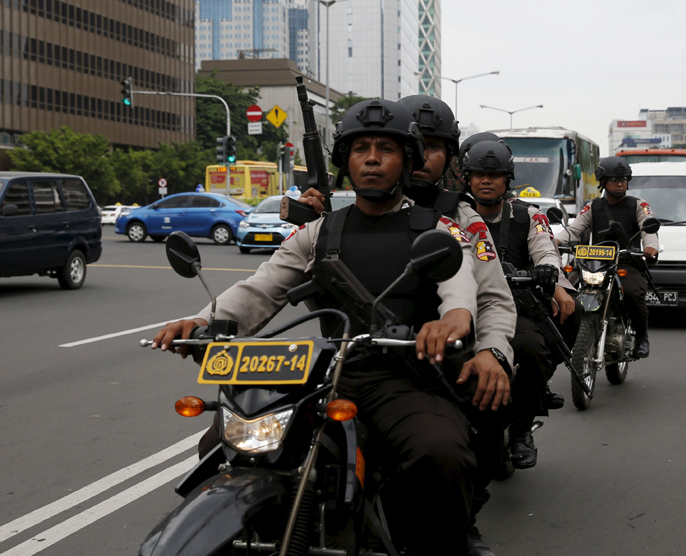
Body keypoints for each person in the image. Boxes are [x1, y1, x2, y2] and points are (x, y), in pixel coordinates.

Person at [151, 99, 497, 556]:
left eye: (385, 149)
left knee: (440, 451)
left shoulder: (438, 227)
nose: (372, 158)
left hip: (405, 376)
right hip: (329, 373)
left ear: (407, 161)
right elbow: (262, 288)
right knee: (225, 443)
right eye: (360, 149)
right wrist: (202, 321)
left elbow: (457, 282)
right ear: (344, 162)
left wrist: (454, 319)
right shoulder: (320, 232)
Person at [300, 95, 516, 556]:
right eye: (362, 149)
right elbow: (280, 279)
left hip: (428, 363)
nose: (374, 159)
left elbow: (488, 297)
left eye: (432, 146)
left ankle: (460, 518)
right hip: (342, 363)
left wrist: (489, 350)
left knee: (464, 428)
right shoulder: (335, 218)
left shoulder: (457, 218)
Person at [463, 139, 583, 470]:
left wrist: (555, 281)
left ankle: (520, 428)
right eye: (479, 174)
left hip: (515, 305)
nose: (486, 180)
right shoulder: (454, 214)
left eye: (494, 174)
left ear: (507, 179)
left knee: (534, 347)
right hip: (461, 305)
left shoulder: (527, 215)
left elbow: (545, 250)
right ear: (466, 177)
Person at [555, 155, 658, 358]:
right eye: (613, 179)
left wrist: (651, 247)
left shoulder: (638, 205)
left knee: (631, 292)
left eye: (623, 179)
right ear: (602, 182)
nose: (619, 183)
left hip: (626, 263)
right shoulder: (593, 207)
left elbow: (649, 227)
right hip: (596, 263)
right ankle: (568, 339)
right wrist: (554, 243)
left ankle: (641, 337)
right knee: (571, 291)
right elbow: (574, 229)